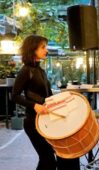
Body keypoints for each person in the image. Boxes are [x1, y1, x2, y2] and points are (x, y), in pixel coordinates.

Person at [12, 35, 80, 170]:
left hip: (45, 121)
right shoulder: (26, 71)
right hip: (33, 122)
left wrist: (62, 100)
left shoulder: (40, 70)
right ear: (33, 49)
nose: (46, 50)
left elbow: (46, 96)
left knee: (52, 158)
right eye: (43, 47)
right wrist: (34, 105)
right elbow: (14, 96)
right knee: (47, 159)